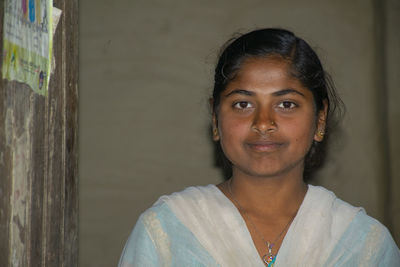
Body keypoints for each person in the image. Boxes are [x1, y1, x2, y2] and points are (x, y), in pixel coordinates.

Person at [118, 28, 400, 266]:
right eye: (243, 104)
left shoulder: (364, 246)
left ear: (320, 119)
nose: (263, 123)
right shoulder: (166, 232)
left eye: (286, 104)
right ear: (216, 119)